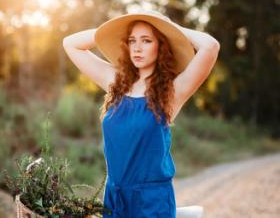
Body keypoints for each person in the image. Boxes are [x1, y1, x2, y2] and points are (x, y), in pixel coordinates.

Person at [63, 12, 220, 218]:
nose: (137, 47)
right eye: (132, 40)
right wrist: (112, 29)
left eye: (146, 41)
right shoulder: (116, 83)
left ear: (161, 45)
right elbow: (70, 43)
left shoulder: (171, 92)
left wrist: (170, 27)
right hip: (114, 196)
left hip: (152, 201)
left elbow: (211, 46)